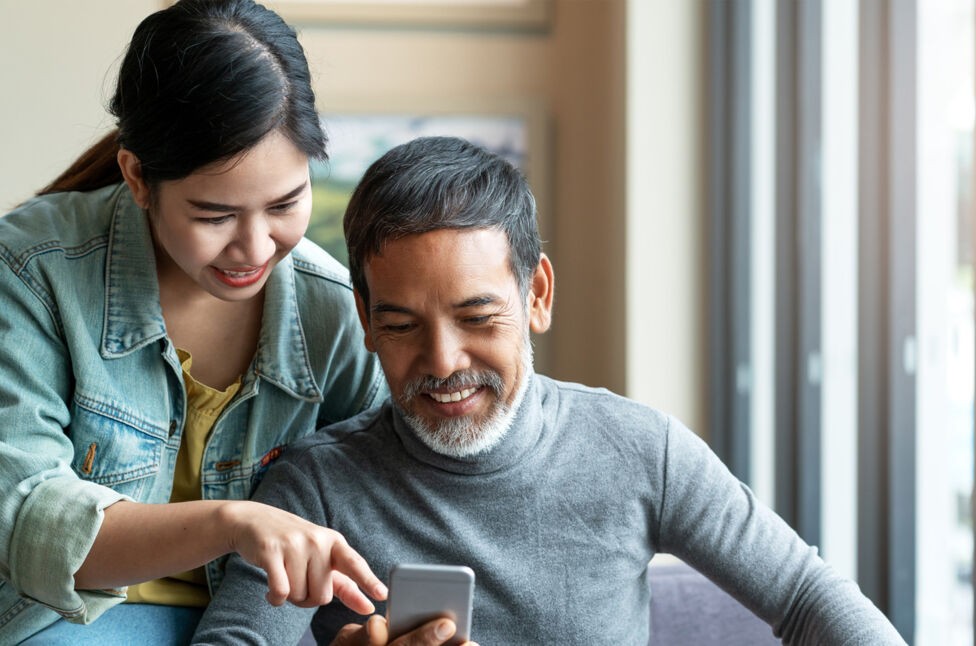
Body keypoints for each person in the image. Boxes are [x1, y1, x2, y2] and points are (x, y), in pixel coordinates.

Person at [191, 135, 909, 645]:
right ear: (366, 322)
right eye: (402, 325)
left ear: (536, 294)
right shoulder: (316, 488)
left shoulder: (640, 450)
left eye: (477, 317)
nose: (442, 362)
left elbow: (806, 595)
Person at [0, 2, 458, 644]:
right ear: (138, 177)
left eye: (285, 204)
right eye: (214, 216)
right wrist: (231, 524)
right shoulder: (30, 270)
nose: (255, 248)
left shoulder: (331, 310)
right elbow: (27, 523)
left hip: (262, 622)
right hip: (65, 617)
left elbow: (396, 497)